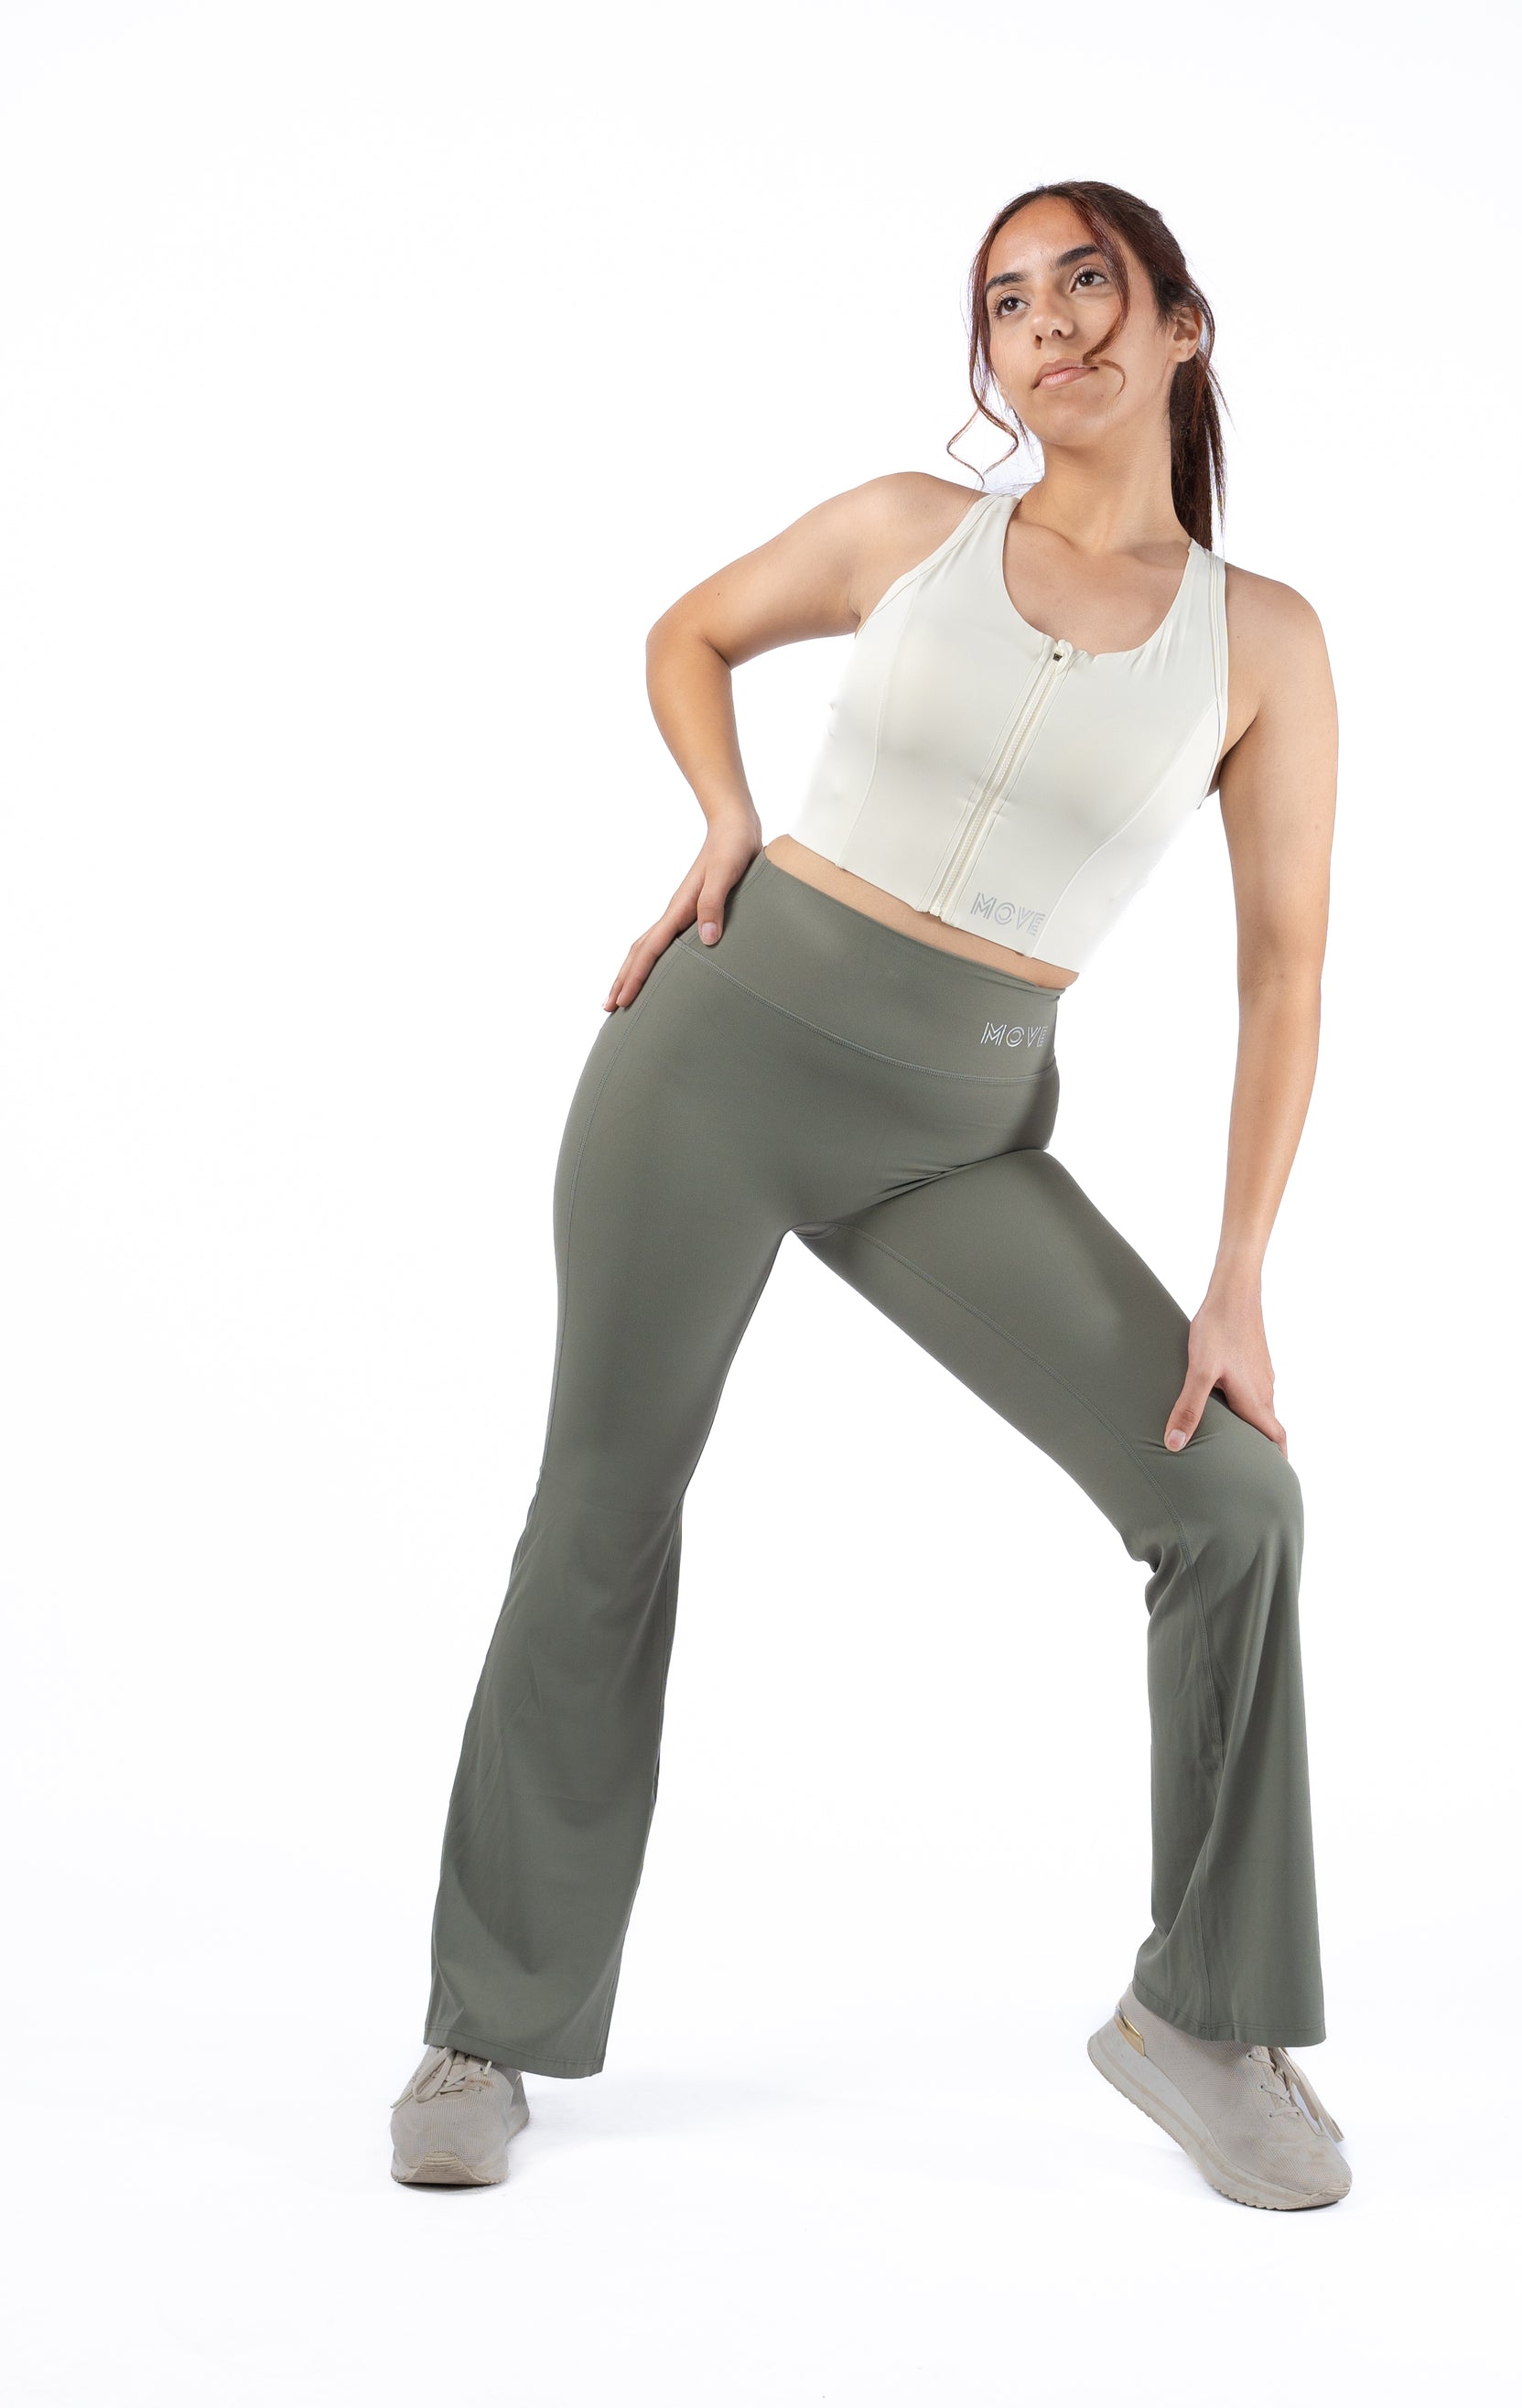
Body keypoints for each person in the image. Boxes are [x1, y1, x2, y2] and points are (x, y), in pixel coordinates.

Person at [389, 179, 1346, 2211]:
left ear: (1180, 325)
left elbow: (1284, 965)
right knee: (603, 1509)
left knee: (1232, 1504)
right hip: (714, 1064)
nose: (1048, 324)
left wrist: (1237, 1271)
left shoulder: (1258, 640)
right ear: (986, 354)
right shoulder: (910, 530)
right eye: (1007, 301)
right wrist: (724, 814)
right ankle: (485, 2021)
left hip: (958, 1129)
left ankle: (1202, 2011)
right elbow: (688, 630)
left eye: (1088, 283)